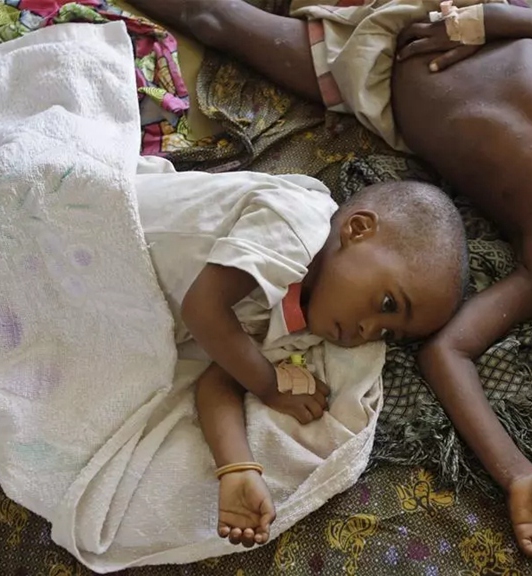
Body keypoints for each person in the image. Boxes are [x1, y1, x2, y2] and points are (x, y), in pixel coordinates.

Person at [128, 0, 532, 563]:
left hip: (368, 73)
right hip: (459, 13)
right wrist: (485, 21)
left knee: (215, 20)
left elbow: (447, 353)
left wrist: (518, 475)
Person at [134, 155, 469, 548]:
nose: (370, 331)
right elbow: (203, 309)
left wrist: (238, 468)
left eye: (388, 333)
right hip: (115, 225)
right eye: (388, 304)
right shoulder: (298, 221)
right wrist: (269, 385)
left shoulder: (301, 327)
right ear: (358, 230)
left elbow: (220, 380)